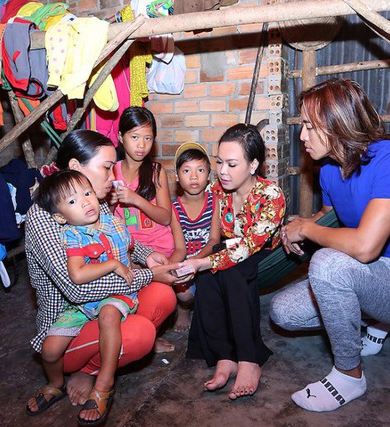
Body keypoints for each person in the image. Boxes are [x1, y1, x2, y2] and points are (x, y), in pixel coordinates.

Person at [269, 78, 390, 412]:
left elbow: (365, 247)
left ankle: (349, 375)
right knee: (283, 312)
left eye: (310, 126)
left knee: (327, 262)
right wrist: (298, 225)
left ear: (339, 122)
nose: (302, 136)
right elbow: (325, 219)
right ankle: (376, 323)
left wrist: (308, 231)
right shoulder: (328, 171)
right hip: (371, 278)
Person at [25, 130, 182, 425]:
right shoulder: (43, 217)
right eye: (107, 167)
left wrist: (146, 255)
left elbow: (118, 240)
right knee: (139, 334)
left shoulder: (94, 201)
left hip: (106, 305)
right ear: (75, 167)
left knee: (163, 296)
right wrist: (150, 274)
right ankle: (86, 373)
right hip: (69, 323)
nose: (112, 176)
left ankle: (90, 369)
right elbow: (77, 288)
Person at [180, 124, 286, 400]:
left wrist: (203, 262)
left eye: (231, 164)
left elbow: (250, 245)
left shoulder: (271, 195)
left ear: (253, 165)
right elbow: (216, 236)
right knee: (216, 265)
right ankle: (225, 355)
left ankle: (249, 358)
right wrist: (199, 260)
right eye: (219, 163)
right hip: (231, 249)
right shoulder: (218, 190)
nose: (222, 171)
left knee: (229, 267)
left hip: (264, 253)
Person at [29, 169, 136, 426]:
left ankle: (104, 386)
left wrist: (130, 275)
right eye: (73, 201)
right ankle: (55, 383)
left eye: (87, 193)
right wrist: (112, 265)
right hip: (81, 302)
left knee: (109, 316)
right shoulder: (72, 236)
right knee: (49, 350)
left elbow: (127, 253)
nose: (87, 201)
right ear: (60, 217)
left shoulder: (113, 222)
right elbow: (77, 275)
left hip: (116, 292)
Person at [111, 106, 185, 352]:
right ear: (121, 137)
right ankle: (141, 336)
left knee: (162, 293)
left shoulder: (155, 172)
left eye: (148, 138)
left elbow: (165, 217)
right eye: (134, 137)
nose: (141, 144)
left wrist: (135, 199)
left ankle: (151, 333)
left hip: (159, 246)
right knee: (125, 293)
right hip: (129, 249)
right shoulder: (112, 171)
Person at [171, 142, 220, 332]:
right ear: (176, 176)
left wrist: (197, 261)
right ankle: (183, 310)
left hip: (207, 259)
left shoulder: (214, 201)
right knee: (184, 295)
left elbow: (214, 240)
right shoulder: (175, 208)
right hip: (186, 262)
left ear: (208, 176)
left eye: (200, 170)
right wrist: (174, 268)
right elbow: (180, 248)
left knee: (215, 294)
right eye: (186, 171)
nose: (193, 177)